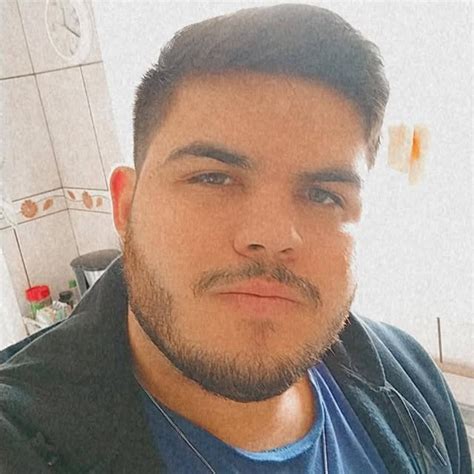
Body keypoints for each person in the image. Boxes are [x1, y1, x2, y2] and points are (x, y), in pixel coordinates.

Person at [0, 4, 470, 473]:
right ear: (126, 206)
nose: (272, 237)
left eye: (323, 195)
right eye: (213, 178)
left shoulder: (411, 380)